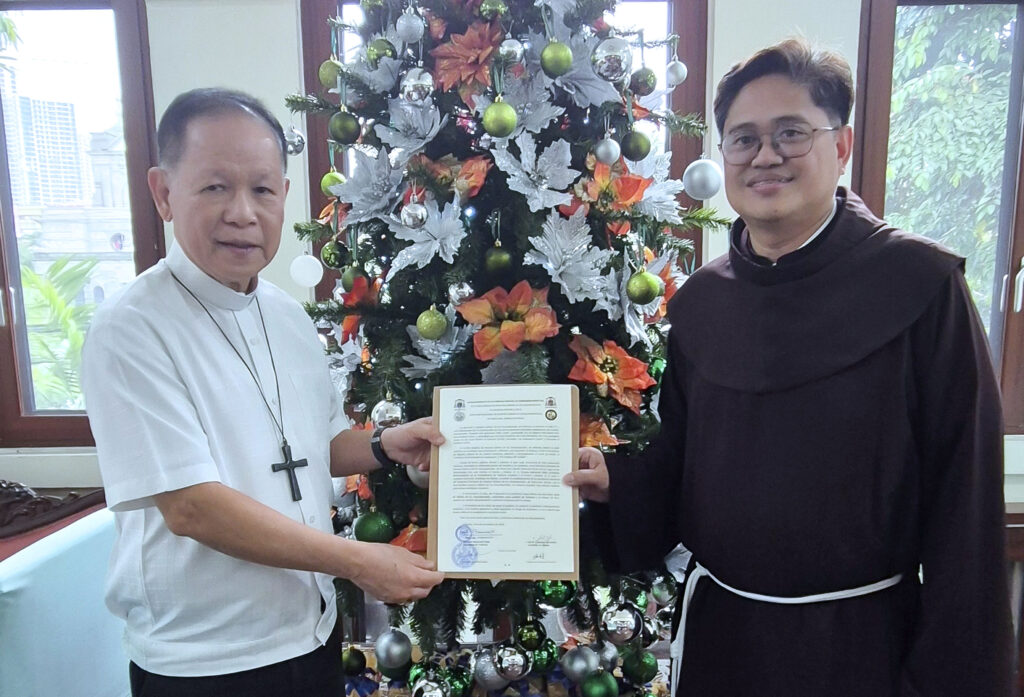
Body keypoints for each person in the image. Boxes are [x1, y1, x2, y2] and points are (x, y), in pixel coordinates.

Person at [565, 39, 1013, 696]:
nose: (765, 155)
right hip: (725, 643)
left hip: (862, 652)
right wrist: (618, 483)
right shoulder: (702, 305)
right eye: (743, 139)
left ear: (844, 144)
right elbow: (684, 466)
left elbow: (966, 506)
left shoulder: (919, 285)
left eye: (791, 133)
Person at [81, 88, 445, 697]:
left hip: (311, 633)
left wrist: (385, 445)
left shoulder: (286, 316)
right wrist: (356, 560)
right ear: (164, 193)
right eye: (215, 187)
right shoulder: (132, 328)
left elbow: (316, 445)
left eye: (263, 189)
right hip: (207, 660)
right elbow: (191, 505)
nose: (243, 213)